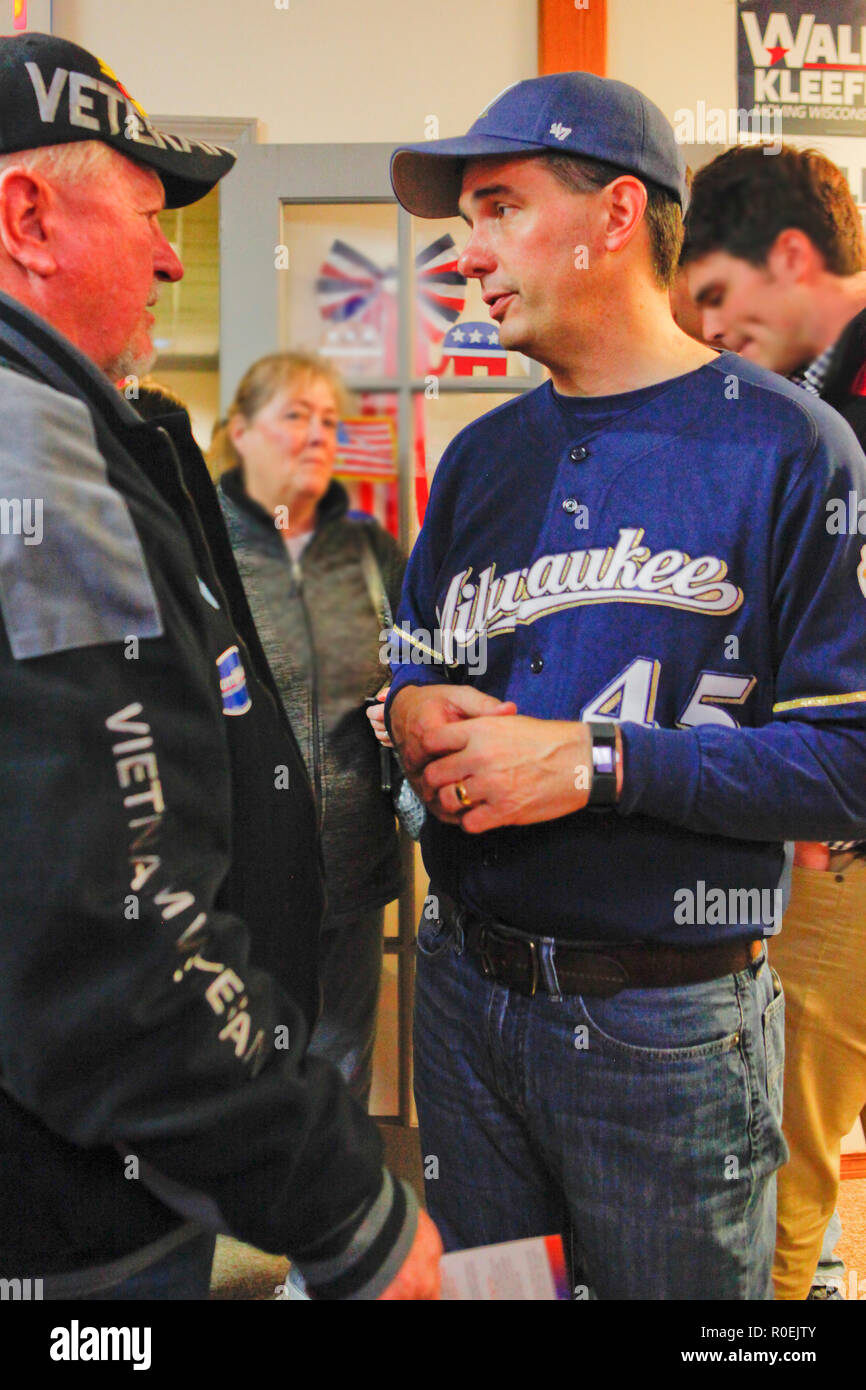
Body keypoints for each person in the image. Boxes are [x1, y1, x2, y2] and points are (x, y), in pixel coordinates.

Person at [385, 70, 866, 1300]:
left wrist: (595, 762)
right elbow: (415, 651)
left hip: (664, 1025)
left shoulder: (788, 444)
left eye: (497, 207)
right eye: (463, 221)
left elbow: (848, 761)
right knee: (501, 1297)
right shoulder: (483, 454)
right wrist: (407, 707)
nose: (468, 251)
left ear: (612, 217)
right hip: (462, 998)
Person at [0, 31, 439, 1301]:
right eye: (144, 213)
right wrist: (348, 1212)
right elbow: (110, 936)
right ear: (28, 214)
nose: (164, 252)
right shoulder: (37, 463)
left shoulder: (101, 427)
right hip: (71, 1222)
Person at [682, 143, 866, 1301]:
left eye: (715, 294)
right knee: (779, 1148)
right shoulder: (796, 402)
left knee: (785, 1163)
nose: (706, 329)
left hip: (835, 843)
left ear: (788, 255)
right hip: (805, 825)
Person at [212, 352, 405, 1109]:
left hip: (354, 871)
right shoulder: (201, 552)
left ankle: (339, 1221)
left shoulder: (367, 552)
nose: (318, 435)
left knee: (339, 1069)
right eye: (295, 416)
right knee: (239, 1074)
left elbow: (417, 670)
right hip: (237, 880)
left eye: (329, 420)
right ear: (240, 431)